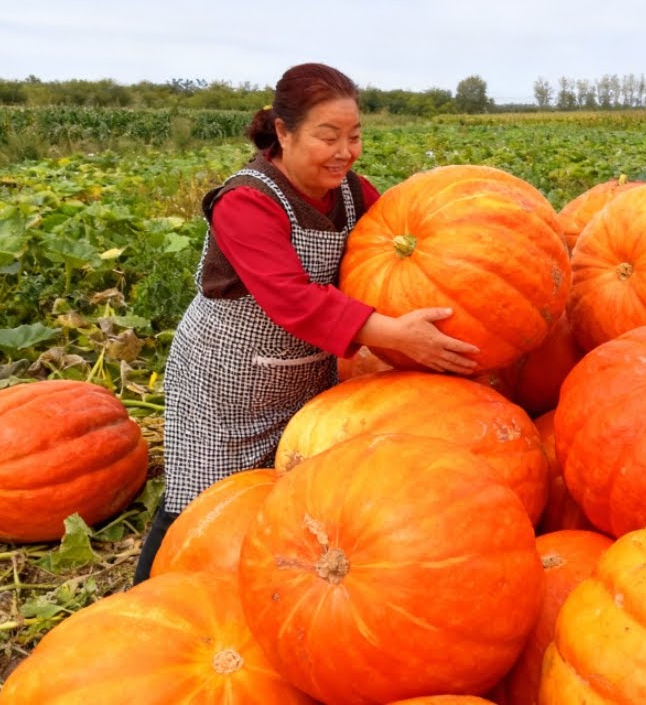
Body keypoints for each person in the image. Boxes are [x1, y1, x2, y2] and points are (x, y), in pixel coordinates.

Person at [131, 63, 479, 584]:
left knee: (280, 496)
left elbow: (392, 248)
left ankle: (254, 592)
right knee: (200, 502)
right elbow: (293, 299)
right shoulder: (245, 201)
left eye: (355, 136)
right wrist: (394, 335)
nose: (345, 150)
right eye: (328, 136)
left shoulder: (352, 192)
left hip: (304, 371)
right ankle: (146, 595)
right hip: (225, 380)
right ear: (283, 132)